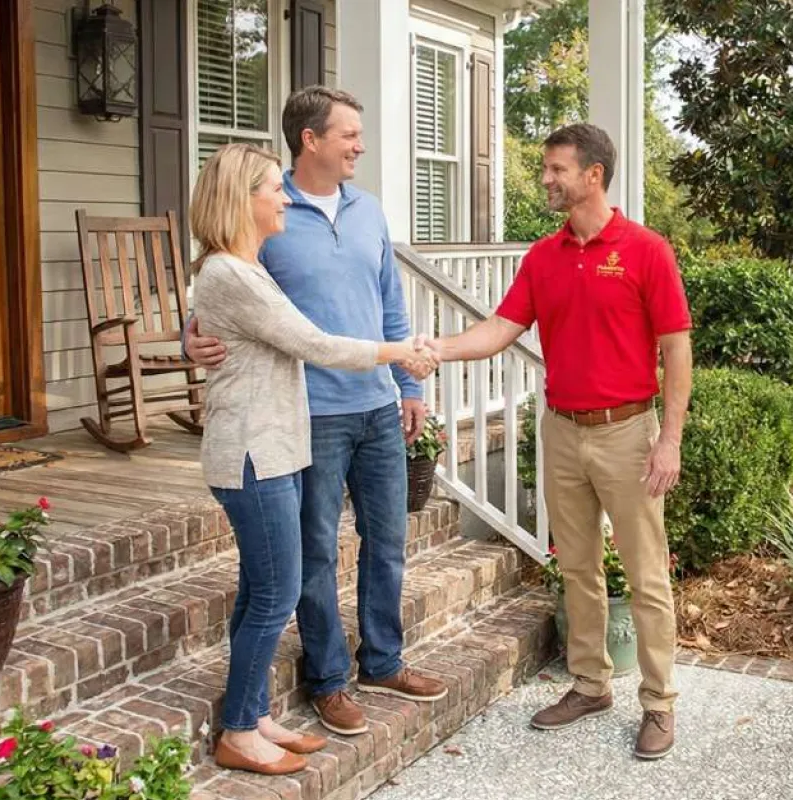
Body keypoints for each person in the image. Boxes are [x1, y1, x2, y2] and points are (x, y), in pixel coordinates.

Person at [420, 123, 692, 759]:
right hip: (562, 430)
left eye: (556, 169)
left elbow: (677, 347)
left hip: (629, 431)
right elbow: (499, 330)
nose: (545, 178)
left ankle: (659, 703)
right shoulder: (543, 256)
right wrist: (438, 350)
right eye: (547, 169)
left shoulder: (647, 250)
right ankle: (591, 683)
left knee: (647, 574)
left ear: (592, 175)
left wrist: (669, 438)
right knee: (576, 566)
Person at [185, 86, 448, 738]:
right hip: (308, 418)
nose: (360, 145)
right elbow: (226, 296)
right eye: (349, 134)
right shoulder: (270, 212)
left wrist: (406, 388)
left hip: (377, 406)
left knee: (387, 543)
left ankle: (383, 660)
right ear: (312, 140)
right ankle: (329, 679)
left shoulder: (368, 212)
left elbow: (388, 297)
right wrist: (191, 336)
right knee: (314, 557)